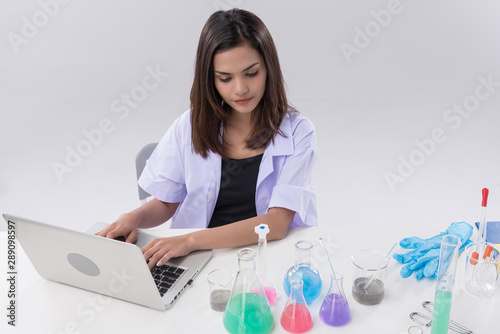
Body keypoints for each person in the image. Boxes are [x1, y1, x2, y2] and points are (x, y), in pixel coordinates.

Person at [97, 8, 317, 269]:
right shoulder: (189, 126)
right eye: (225, 78)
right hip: (196, 260)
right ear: (209, 80)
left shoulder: (298, 132)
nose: (240, 89)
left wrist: (190, 240)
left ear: (269, 69)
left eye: (251, 73)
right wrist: (132, 218)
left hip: (267, 258)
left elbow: (277, 223)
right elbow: (167, 202)